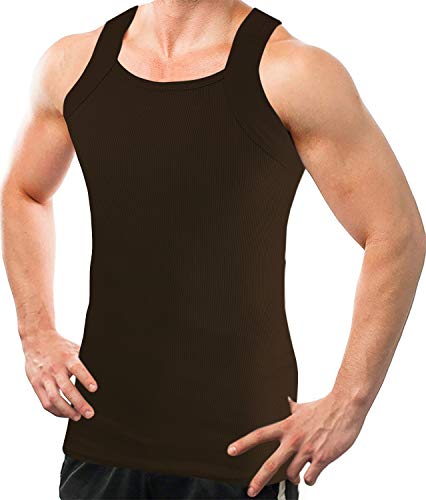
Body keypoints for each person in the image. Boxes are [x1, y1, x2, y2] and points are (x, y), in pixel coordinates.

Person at [2, 1, 425, 499]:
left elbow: (396, 232)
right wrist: (36, 334)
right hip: (101, 445)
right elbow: (23, 192)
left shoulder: (292, 72)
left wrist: (349, 403)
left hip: (239, 458)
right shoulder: (72, 65)